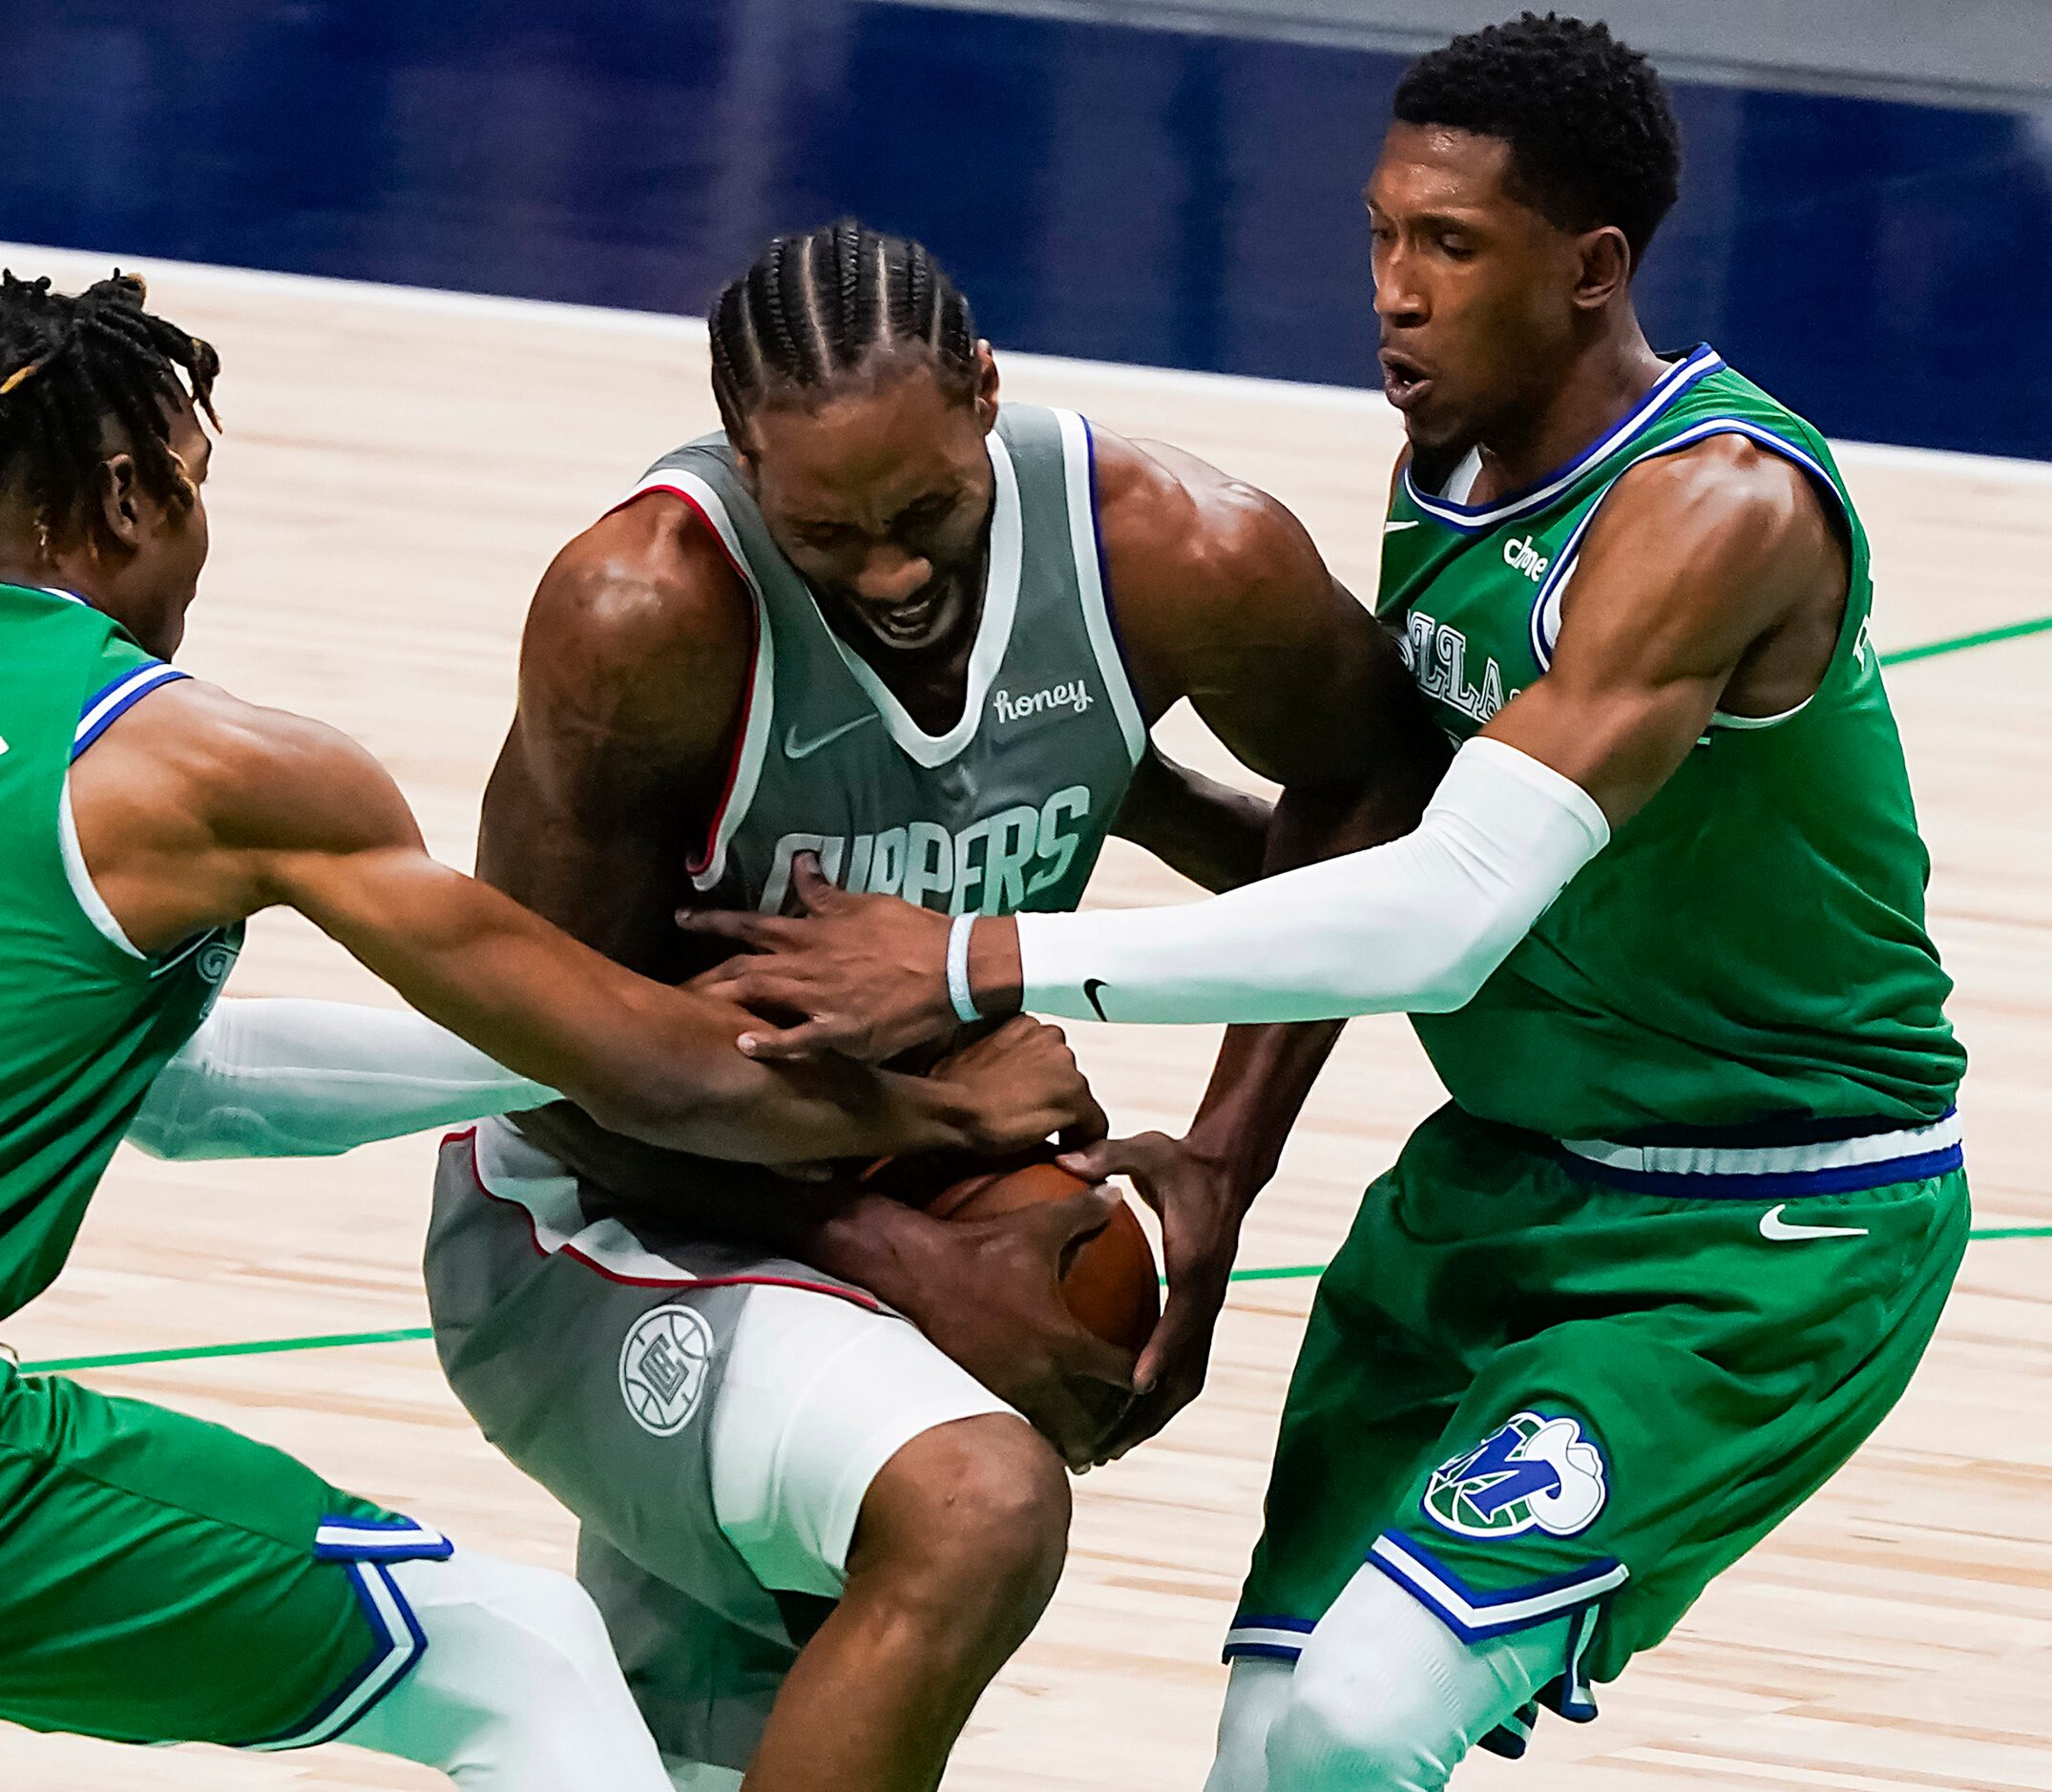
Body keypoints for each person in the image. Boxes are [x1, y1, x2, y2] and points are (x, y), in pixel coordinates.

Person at [0, 271, 1101, 1792]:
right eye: (189, 485)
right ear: (127, 499)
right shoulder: (207, 765)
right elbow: (661, 1078)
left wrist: (572, 1040)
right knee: (520, 1656)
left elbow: (184, 1096)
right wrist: (937, 1107)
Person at [685, 20, 1968, 1789]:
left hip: (1761, 1223)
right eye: (1379, 234)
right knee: (1278, 1741)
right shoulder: (1442, 476)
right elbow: (1409, 860)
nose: (1392, 292)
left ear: (1591, 270)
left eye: (1448, 247)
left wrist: (983, 955)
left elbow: (1438, 914)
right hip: (1495, 1180)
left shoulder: (1712, 510)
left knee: (1361, 1723)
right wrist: (1126, 839)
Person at [406, 221, 1444, 1792]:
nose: (888, 571)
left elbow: (1366, 780)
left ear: (983, 394)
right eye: (825, 532)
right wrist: (886, 1219)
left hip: (892, 1155)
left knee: (706, 1745)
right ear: (738, 454)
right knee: (971, 1507)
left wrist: (1227, 1160)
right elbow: (553, 1064)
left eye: (924, 513)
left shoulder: (1174, 551)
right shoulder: (643, 618)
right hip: (600, 1216)